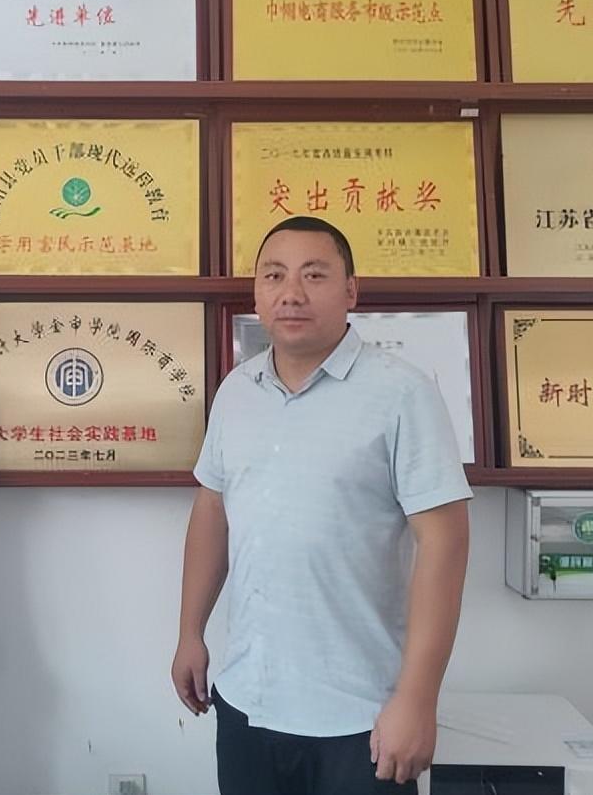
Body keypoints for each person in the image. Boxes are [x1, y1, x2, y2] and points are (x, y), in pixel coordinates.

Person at [171, 215, 471, 793]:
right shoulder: (236, 392)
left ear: (351, 290)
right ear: (256, 291)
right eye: (274, 275)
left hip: (360, 717)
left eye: (314, 275)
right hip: (246, 699)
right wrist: (190, 631)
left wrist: (418, 698)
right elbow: (212, 509)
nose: (291, 293)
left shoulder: (402, 393)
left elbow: (445, 541)